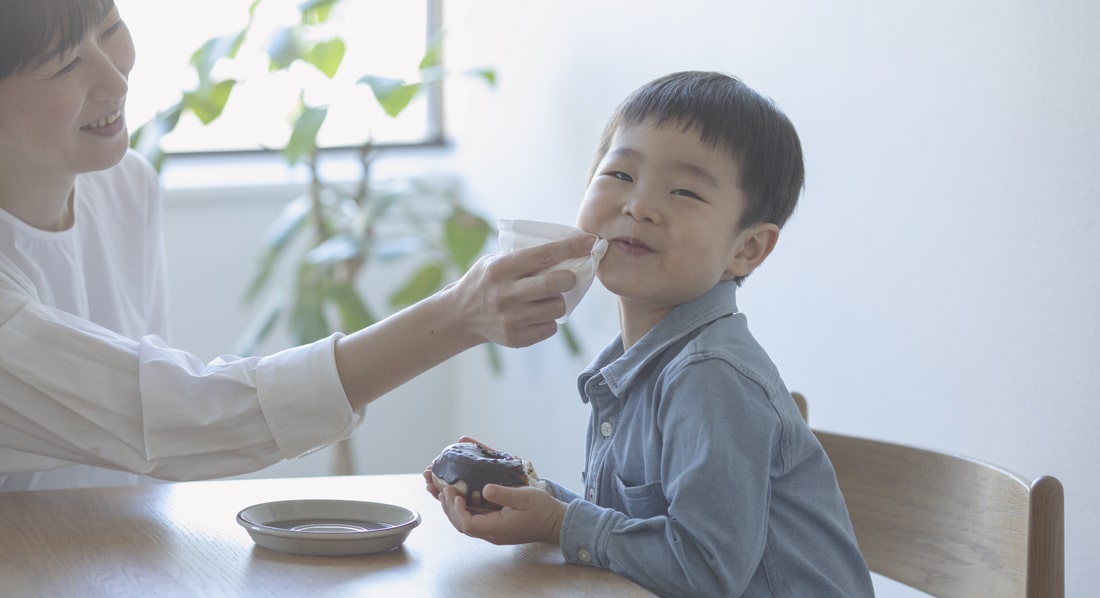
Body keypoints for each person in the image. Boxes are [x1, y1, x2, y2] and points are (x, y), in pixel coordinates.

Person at [0, 0, 596, 491]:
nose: (115, 77)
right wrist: (459, 316)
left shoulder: (124, 185)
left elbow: (139, 452)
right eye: (64, 65)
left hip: (113, 553)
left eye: (111, 30)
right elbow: (176, 418)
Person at [425, 71, 875, 597]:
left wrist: (558, 524)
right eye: (619, 176)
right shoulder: (638, 361)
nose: (638, 206)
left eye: (684, 191)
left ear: (747, 249)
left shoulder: (710, 376)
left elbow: (706, 571)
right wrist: (536, 500)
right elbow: (643, 540)